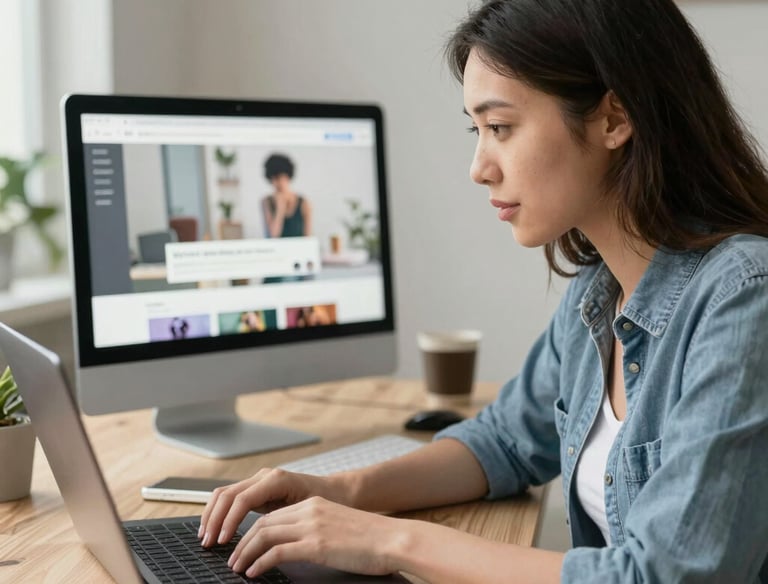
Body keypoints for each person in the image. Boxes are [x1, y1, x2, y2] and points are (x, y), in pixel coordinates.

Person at [198, 1, 768, 581]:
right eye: (478, 130)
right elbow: (503, 441)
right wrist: (340, 490)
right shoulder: (599, 293)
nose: (479, 167)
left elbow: (669, 576)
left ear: (613, 119)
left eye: (500, 128)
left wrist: (391, 541)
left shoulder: (744, 300)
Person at [261, 153, 312, 238]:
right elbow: (273, 235)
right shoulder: (267, 202)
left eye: (278, 178)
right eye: (272, 179)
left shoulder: (304, 203)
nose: (275, 183)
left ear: (287, 176)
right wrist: (280, 208)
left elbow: (308, 237)